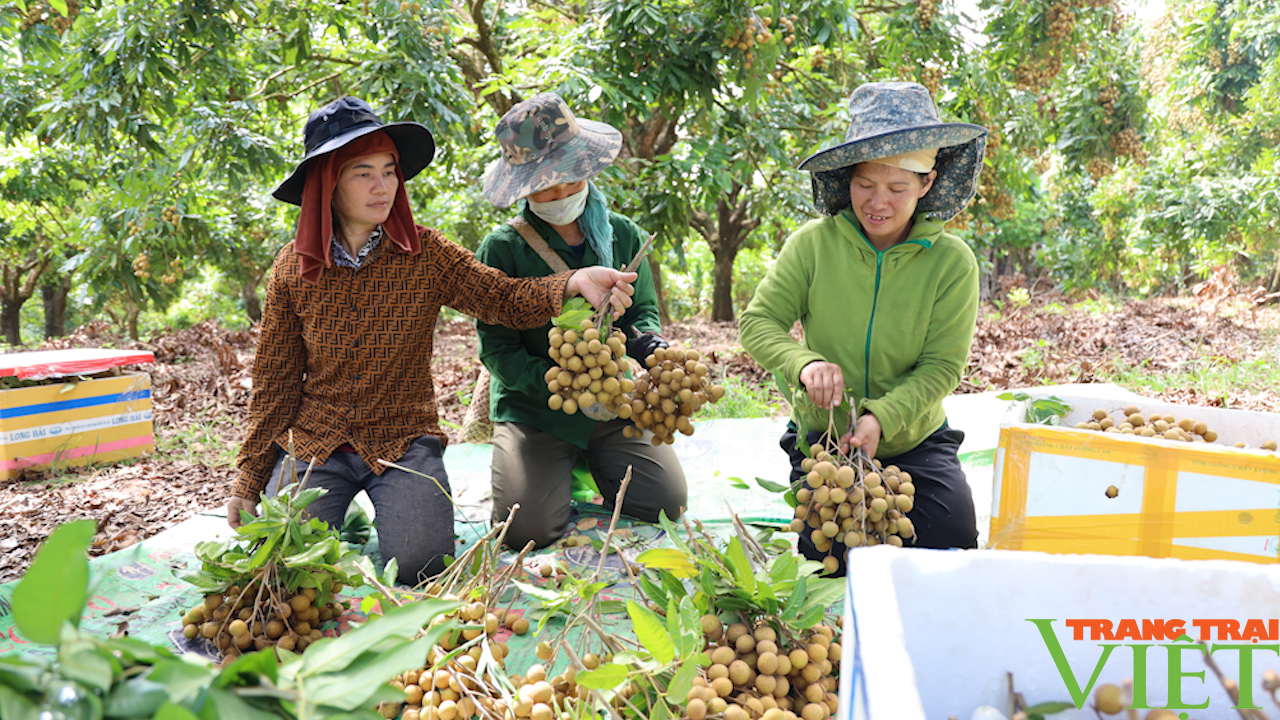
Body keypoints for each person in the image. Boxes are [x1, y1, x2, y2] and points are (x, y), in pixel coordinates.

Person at [227, 97, 638, 585]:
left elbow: (501, 298)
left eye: (390, 171)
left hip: (401, 439)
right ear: (327, 184)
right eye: (363, 174)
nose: (383, 186)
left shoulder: (426, 255)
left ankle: (375, 507)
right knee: (281, 565)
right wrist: (248, 479)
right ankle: (343, 510)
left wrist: (572, 282)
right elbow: (272, 382)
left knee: (423, 565)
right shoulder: (292, 269)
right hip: (316, 440)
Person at [739, 81, 989, 575]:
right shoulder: (812, 246)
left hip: (914, 439)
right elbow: (757, 323)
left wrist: (882, 418)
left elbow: (942, 367)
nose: (878, 202)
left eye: (898, 187)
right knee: (829, 558)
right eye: (865, 184)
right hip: (824, 440)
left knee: (952, 542)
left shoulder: (953, 263)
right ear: (846, 178)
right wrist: (803, 364)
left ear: (928, 183)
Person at [475, 92, 687, 550]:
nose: (560, 194)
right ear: (523, 188)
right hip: (535, 411)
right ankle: (547, 468)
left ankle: (593, 459)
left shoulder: (623, 234)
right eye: (546, 187)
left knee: (666, 505)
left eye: (570, 180)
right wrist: (561, 384)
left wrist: (646, 345)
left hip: (614, 403)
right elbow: (498, 351)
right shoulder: (502, 249)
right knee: (525, 531)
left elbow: (644, 311)